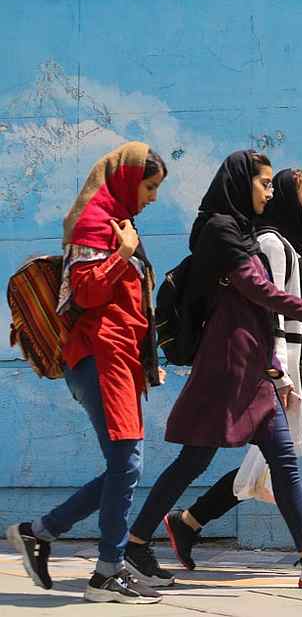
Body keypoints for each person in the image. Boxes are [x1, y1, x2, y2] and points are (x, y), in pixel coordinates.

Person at [122, 150, 302, 589]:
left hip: (252, 366)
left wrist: (275, 367)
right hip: (226, 367)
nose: (270, 193)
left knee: (286, 462)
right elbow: (258, 291)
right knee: (191, 462)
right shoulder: (221, 230)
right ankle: (136, 545)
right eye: (264, 183)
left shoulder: (237, 230)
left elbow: (252, 311)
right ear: (240, 183)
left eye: (273, 185)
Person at [6, 142, 167, 604]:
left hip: (117, 358)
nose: (153, 197)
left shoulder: (117, 220)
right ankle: (106, 571)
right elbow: (85, 292)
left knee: (124, 465)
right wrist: (123, 254)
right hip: (101, 355)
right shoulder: (94, 222)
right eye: (150, 186)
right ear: (127, 178)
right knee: (127, 463)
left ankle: (42, 533)